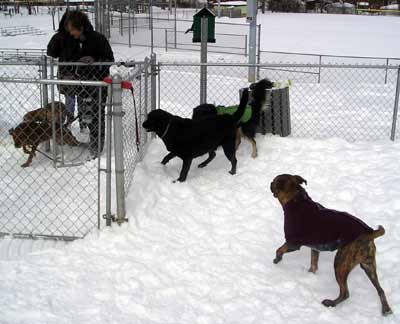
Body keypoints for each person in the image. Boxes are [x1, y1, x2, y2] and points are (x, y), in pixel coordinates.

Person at [65, 10, 114, 158]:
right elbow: (69, 60)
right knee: (87, 115)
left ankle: (97, 147)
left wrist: (95, 62)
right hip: (82, 85)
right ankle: (92, 142)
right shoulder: (74, 41)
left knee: (97, 116)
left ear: (81, 26)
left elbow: (110, 59)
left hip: (98, 85)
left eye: (73, 30)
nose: (71, 33)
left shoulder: (98, 39)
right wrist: (74, 67)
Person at [47, 11, 81, 127]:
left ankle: (69, 123)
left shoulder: (59, 37)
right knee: (82, 97)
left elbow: (51, 53)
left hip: (66, 71)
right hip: (80, 70)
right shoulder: (81, 34)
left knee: (70, 98)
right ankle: (81, 123)